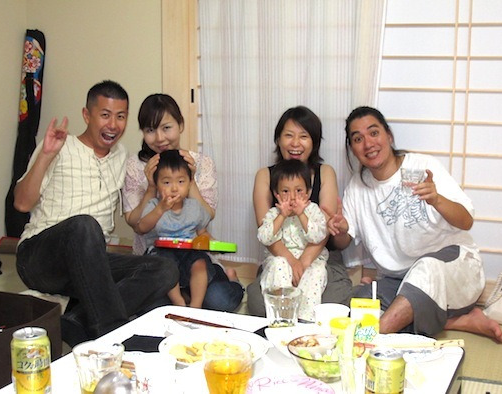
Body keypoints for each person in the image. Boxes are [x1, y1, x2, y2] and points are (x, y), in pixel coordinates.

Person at [14, 80, 179, 346]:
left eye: (120, 116)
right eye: (105, 115)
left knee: (164, 269)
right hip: (40, 258)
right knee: (84, 226)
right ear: (86, 115)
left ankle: (75, 323)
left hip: (90, 262)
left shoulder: (121, 156)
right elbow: (22, 203)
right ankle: (114, 335)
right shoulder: (60, 146)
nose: (113, 125)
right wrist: (45, 155)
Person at [327, 106, 502, 343]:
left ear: (388, 136)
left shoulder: (422, 166)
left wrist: (437, 199)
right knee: (357, 303)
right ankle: (455, 322)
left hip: (453, 268)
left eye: (373, 133)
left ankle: (368, 340)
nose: (368, 143)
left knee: (424, 271)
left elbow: (466, 220)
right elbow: (344, 240)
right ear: (352, 149)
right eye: (357, 139)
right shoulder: (357, 188)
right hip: (397, 281)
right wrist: (339, 229)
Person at [123, 93, 243, 312]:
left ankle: (225, 279)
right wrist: (151, 188)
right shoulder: (135, 166)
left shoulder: (201, 163)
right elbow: (134, 222)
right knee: (153, 310)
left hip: (193, 255)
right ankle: (182, 297)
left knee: (220, 301)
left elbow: (207, 215)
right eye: (150, 130)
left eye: (166, 128)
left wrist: (192, 182)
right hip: (157, 258)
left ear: (180, 125)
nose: (159, 138)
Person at [247, 105, 353, 317]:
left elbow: (324, 226)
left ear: (314, 142)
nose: (295, 143)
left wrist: (304, 262)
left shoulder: (325, 172)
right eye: (288, 135)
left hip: (320, 258)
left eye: (303, 136)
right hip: (279, 259)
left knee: (332, 308)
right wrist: (291, 261)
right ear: (278, 139)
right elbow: (266, 231)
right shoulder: (265, 176)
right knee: (261, 307)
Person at [138, 150, 215, 308]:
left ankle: (195, 306)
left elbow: (202, 232)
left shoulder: (194, 207)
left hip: (189, 251)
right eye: (167, 183)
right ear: (157, 184)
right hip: (162, 252)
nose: (174, 188)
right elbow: (142, 227)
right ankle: (179, 302)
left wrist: (210, 241)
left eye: (181, 182)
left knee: (200, 263)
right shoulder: (153, 205)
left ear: (189, 183)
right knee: (167, 265)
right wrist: (160, 209)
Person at [258, 159, 329, 321]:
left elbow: (318, 236)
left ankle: (306, 318)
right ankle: (282, 316)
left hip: (310, 262)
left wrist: (301, 215)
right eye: (285, 191)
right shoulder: (274, 214)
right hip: (281, 260)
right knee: (278, 265)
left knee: (316, 271)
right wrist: (282, 216)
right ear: (276, 194)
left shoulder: (313, 211)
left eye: (298, 191)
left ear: (308, 193)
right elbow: (264, 237)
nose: (292, 198)